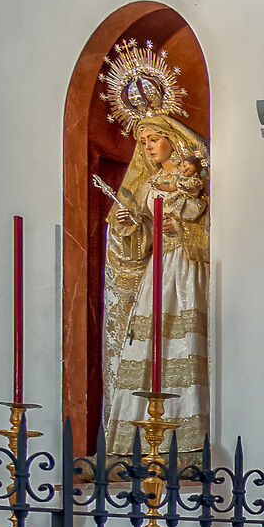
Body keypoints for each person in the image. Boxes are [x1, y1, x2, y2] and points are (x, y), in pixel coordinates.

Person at [100, 104, 211, 459]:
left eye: (154, 138)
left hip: (186, 265)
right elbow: (148, 233)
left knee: (183, 339)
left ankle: (188, 435)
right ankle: (143, 435)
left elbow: (206, 220)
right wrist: (133, 227)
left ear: (172, 140)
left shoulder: (192, 177)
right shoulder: (148, 182)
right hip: (158, 266)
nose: (148, 146)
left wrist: (184, 225)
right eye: (144, 141)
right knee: (150, 341)